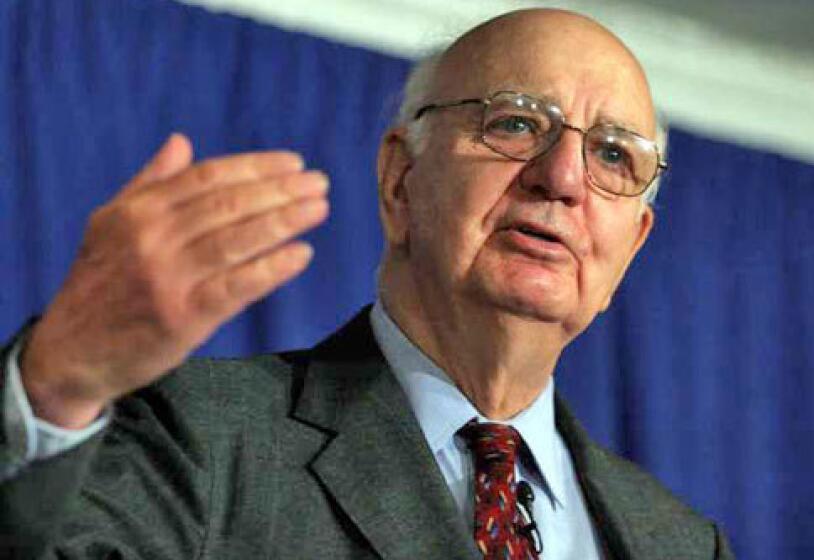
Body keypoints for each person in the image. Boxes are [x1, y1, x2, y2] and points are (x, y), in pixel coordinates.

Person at [0, 8, 734, 559]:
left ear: (631, 248)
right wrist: (57, 385)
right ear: (401, 180)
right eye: (514, 124)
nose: (564, 177)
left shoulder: (682, 543)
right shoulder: (200, 437)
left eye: (613, 156)